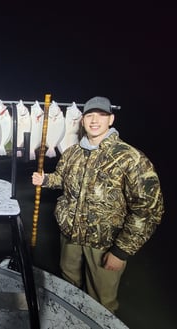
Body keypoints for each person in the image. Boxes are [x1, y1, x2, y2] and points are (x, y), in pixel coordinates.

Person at [32, 96, 164, 314]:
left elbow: (148, 210)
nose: (94, 120)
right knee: (68, 291)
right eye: (90, 115)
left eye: (101, 115)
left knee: (101, 303)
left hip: (104, 243)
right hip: (70, 237)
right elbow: (63, 179)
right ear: (82, 121)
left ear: (111, 119)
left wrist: (121, 251)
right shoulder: (72, 153)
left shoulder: (131, 157)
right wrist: (46, 180)